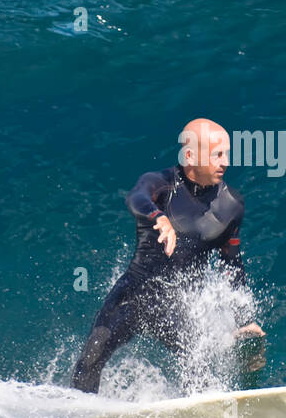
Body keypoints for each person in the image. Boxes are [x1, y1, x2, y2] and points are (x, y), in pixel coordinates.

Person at [71, 118, 265, 393]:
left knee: (198, 371)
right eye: (216, 154)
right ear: (190, 156)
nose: (225, 162)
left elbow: (231, 264)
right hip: (133, 294)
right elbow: (136, 198)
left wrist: (244, 318)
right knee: (90, 359)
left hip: (176, 304)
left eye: (227, 154)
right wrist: (158, 216)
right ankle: (80, 416)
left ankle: (208, 416)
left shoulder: (231, 205)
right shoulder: (160, 184)